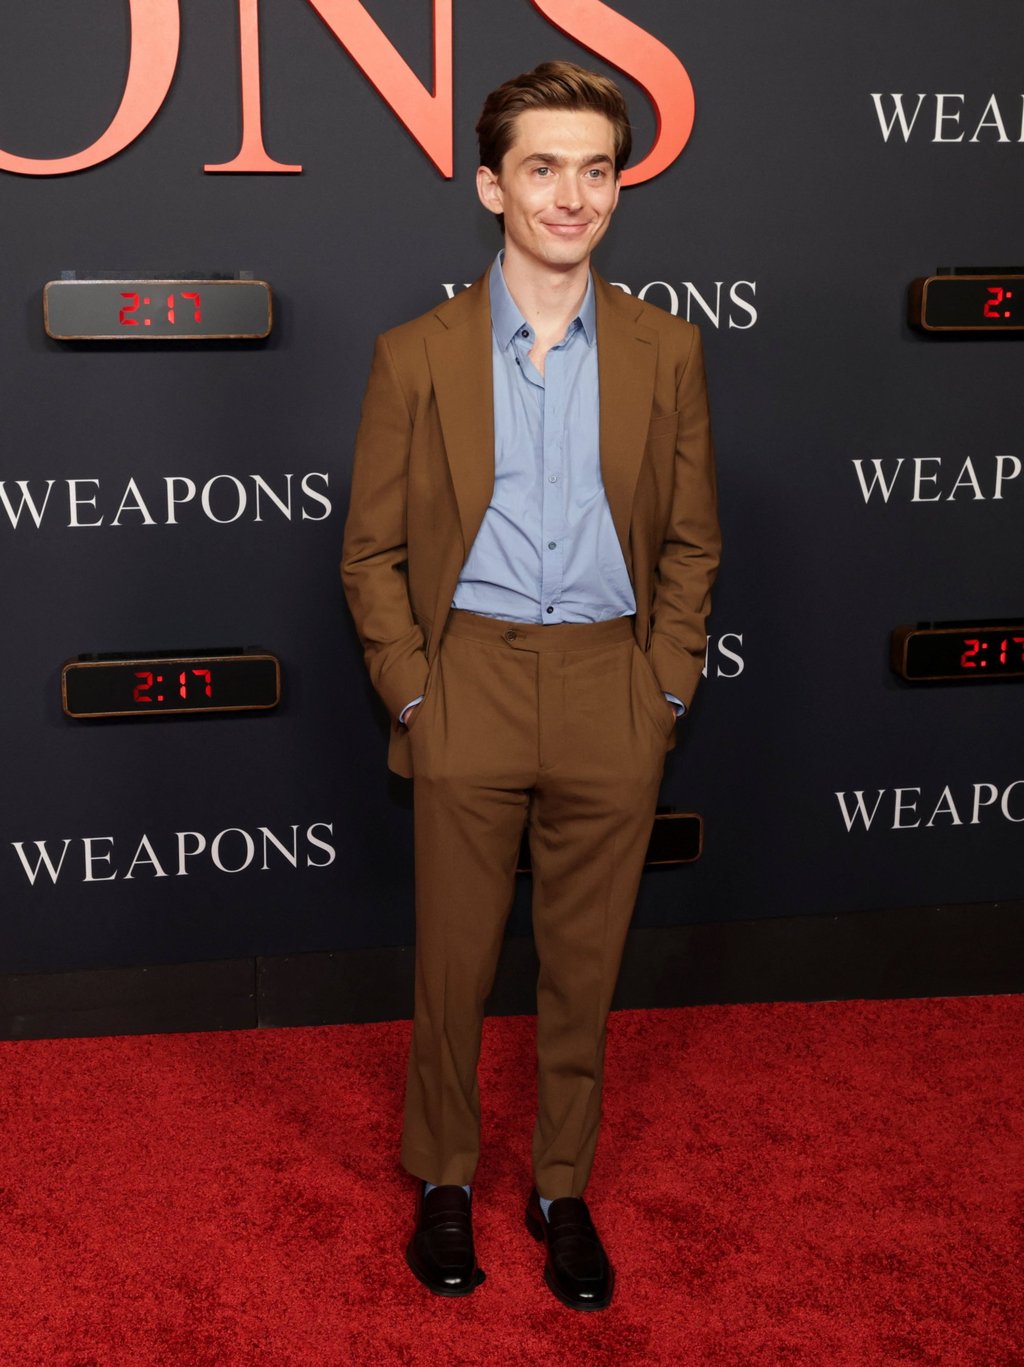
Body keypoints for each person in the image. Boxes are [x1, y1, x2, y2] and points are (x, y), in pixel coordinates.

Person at [342, 60, 720, 1310]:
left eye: (597, 168)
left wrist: (662, 685)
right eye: (545, 166)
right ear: (491, 183)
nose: (573, 194)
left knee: (585, 966)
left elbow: (691, 544)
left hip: (613, 682)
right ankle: (443, 1177)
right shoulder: (417, 354)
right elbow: (373, 550)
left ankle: (563, 1185)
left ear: (619, 186)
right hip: (472, 686)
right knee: (452, 964)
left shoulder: (668, 351)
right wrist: (416, 693)